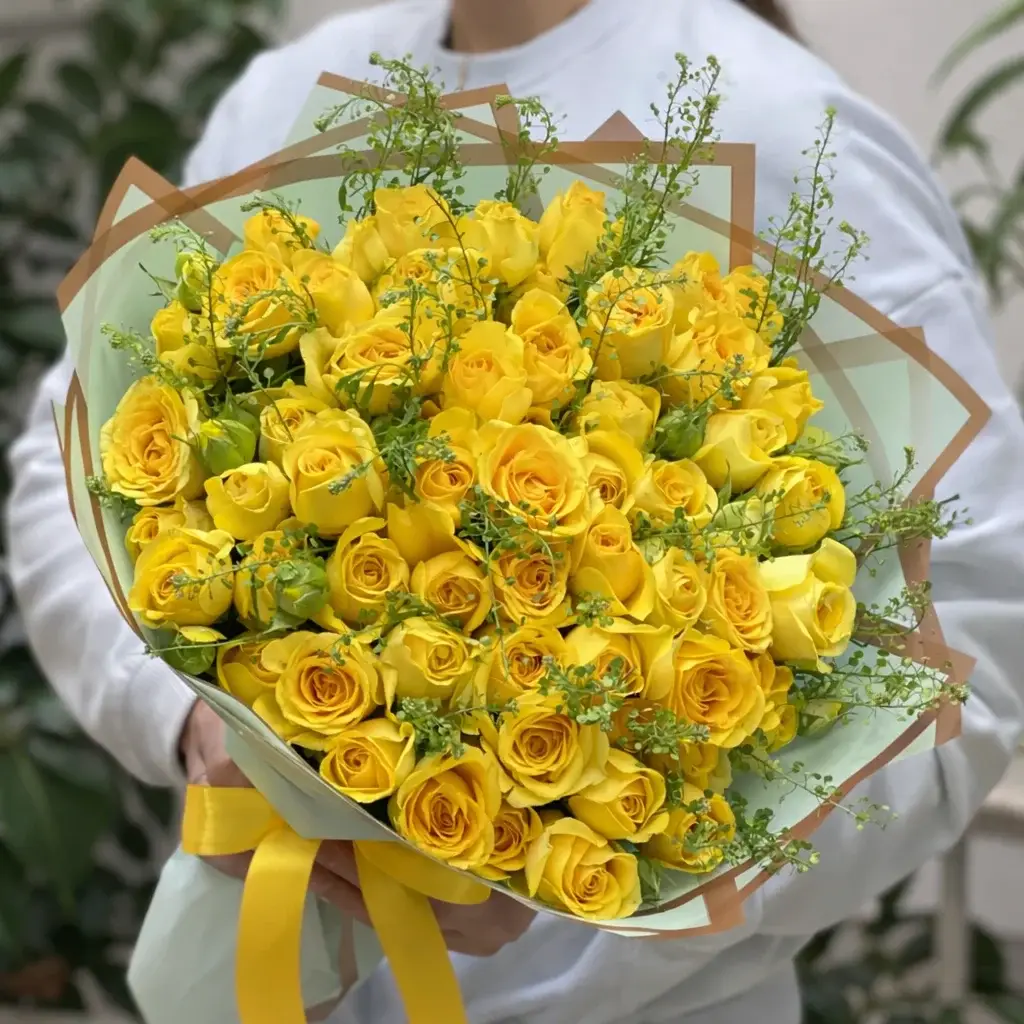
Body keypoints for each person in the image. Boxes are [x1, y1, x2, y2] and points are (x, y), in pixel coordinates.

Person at [8, 0, 1024, 1021]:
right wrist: (185, 717)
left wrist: (570, 874)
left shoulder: (787, 121)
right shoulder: (291, 92)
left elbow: (973, 645)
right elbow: (71, 455)